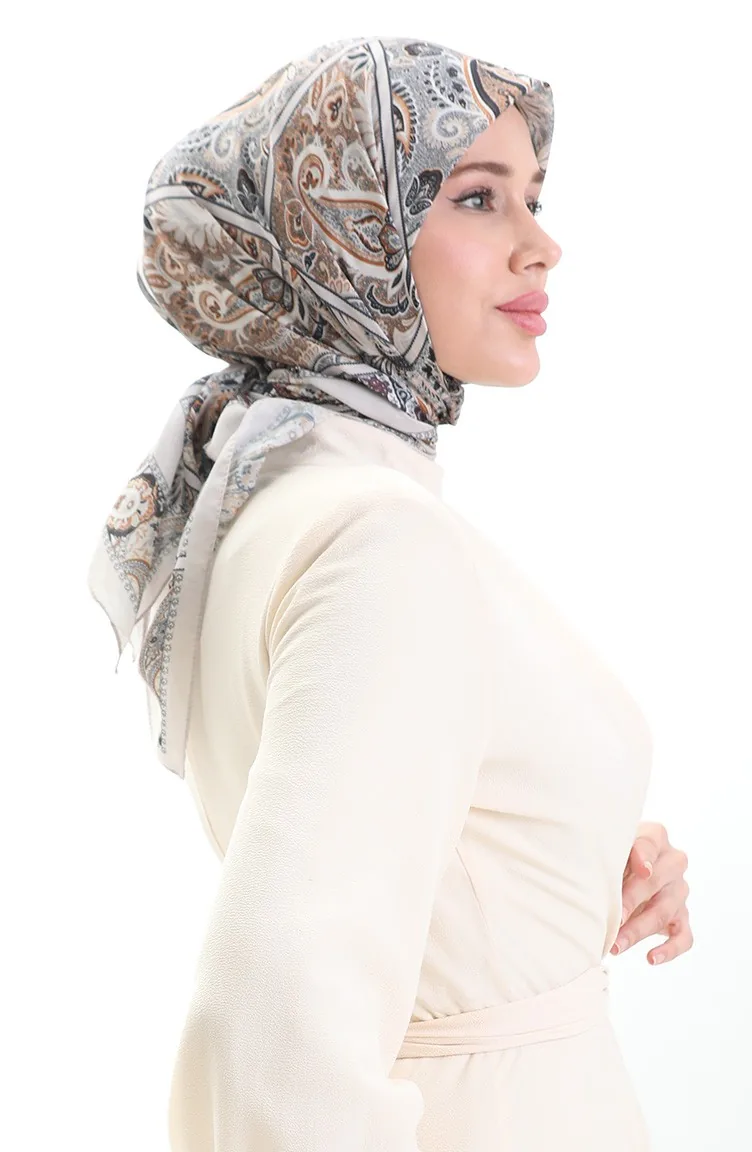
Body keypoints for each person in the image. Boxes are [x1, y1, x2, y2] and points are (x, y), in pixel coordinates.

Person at [86, 35, 692, 1151]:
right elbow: (275, 1028)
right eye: (477, 198)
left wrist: (557, 854)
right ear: (344, 231)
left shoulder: (272, 498)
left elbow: (379, 852)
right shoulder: (378, 538)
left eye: (533, 198)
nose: (541, 245)